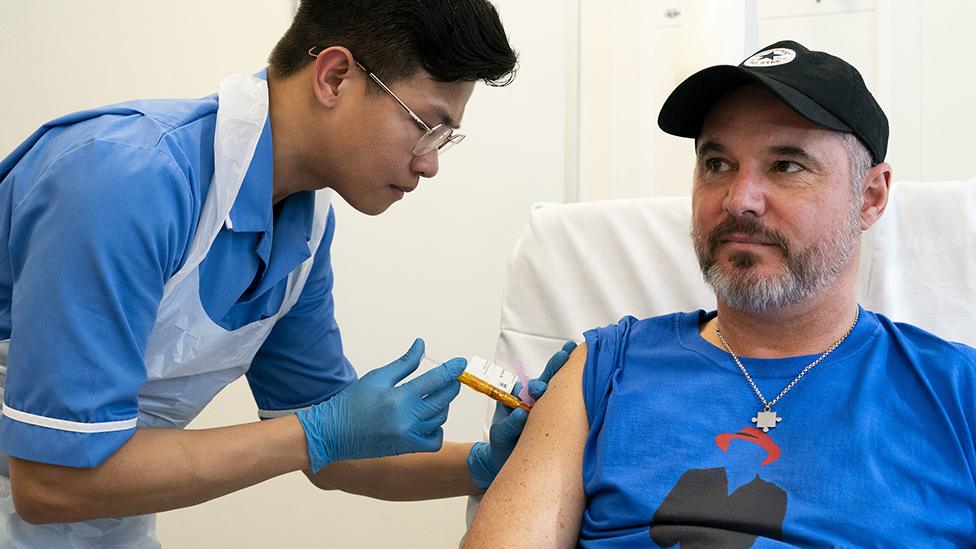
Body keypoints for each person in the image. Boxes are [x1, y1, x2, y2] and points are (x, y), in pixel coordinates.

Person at [0, 1, 574, 546]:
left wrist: (485, 465)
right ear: (334, 78)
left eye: (446, 139)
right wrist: (315, 432)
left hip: (99, 526)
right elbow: (52, 480)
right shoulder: (127, 180)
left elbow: (336, 457)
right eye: (426, 125)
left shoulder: (299, 225)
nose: (430, 163)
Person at [465, 40, 976, 547]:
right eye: (717, 164)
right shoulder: (605, 370)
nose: (739, 200)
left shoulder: (956, 391)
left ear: (870, 197)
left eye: (786, 166)